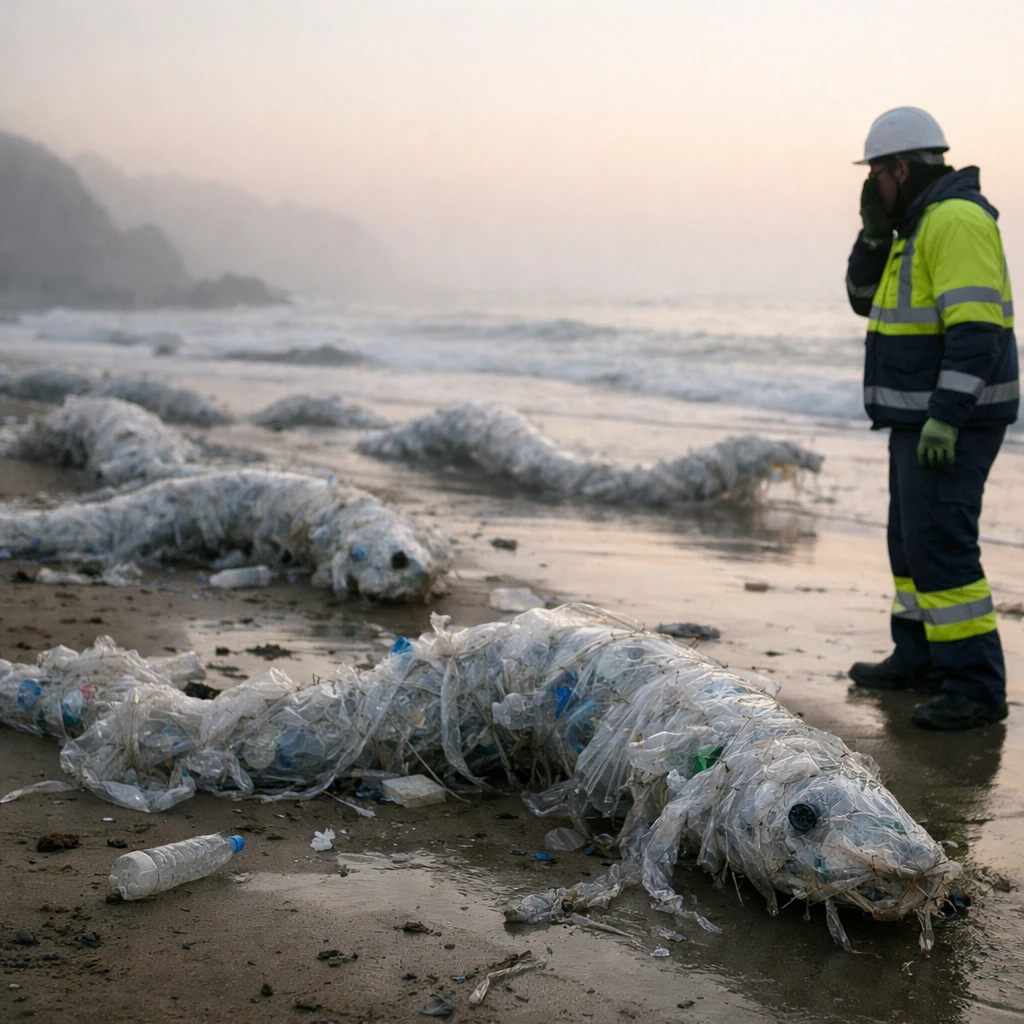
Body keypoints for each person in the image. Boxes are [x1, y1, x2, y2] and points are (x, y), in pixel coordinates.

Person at [845, 107, 1019, 730]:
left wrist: (947, 416)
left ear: (899, 167)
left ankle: (975, 688)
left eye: (875, 176)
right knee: (911, 542)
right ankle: (918, 656)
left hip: (953, 421)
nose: (871, 187)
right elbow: (864, 301)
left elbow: (978, 329)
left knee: (942, 545)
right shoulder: (912, 228)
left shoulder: (956, 220)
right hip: (918, 418)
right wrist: (871, 236)